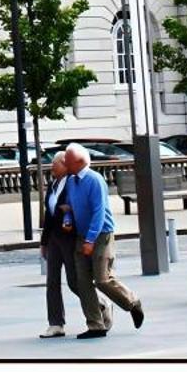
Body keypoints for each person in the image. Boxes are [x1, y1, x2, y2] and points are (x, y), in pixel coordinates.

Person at [61, 143, 145, 338]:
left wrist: (90, 240)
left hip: (101, 235)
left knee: (102, 279)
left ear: (79, 162)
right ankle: (95, 325)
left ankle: (132, 302)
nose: (65, 162)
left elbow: (99, 213)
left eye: (68, 159)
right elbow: (70, 207)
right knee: (83, 283)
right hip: (82, 235)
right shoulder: (71, 181)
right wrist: (68, 218)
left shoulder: (95, 180)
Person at [39, 152, 81, 338]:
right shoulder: (53, 183)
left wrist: (67, 209)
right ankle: (56, 323)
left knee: (73, 280)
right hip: (54, 238)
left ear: (65, 164)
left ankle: (100, 303)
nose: (51, 167)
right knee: (52, 281)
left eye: (54, 164)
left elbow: (75, 206)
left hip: (69, 237)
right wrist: (44, 242)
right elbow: (49, 215)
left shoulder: (73, 181)